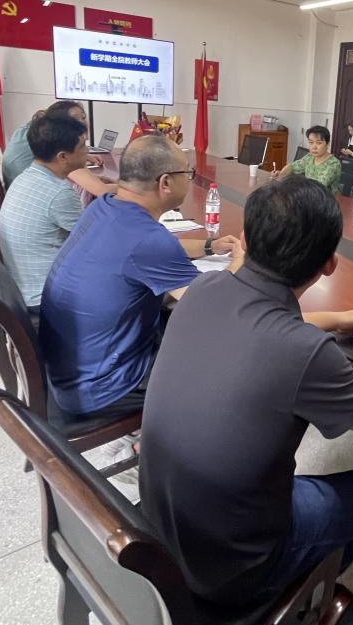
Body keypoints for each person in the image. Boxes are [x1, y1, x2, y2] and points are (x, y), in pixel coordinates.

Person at [140, 177, 353, 607]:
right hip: (230, 568)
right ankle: (292, 597)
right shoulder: (305, 350)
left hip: (159, 522)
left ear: (245, 240)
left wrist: (337, 318)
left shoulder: (204, 288)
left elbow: (264, 323)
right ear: (330, 264)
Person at [40, 135, 240, 420]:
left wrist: (209, 246)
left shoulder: (105, 205)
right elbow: (214, 304)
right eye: (187, 173)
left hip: (70, 368)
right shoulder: (148, 240)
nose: (189, 179)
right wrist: (241, 259)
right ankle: (159, 432)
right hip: (104, 388)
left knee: (174, 313)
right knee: (226, 349)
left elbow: (146, 250)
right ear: (166, 182)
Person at [0, 114, 89, 309]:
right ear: (63, 156)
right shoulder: (59, 192)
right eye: (83, 146)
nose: (87, 151)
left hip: (23, 287)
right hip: (44, 299)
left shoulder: (26, 177)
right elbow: (94, 243)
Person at [3, 99, 115, 198]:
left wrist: (84, 155)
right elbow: (101, 191)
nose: (82, 123)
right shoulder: (57, 143)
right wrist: (123, 187)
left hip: (16, 191)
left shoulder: (36, 130)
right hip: (33, 195)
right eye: (75, 119)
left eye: (83, 117)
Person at [275, 126, 342, 193]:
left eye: (319, 143)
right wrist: (280, 174)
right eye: (311, 142)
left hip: (327, 197)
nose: (314, 147)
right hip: (309, 194)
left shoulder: (333, 163)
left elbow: (319, 184)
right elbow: (292, 166)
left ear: (327, 144)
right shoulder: (309, 157)